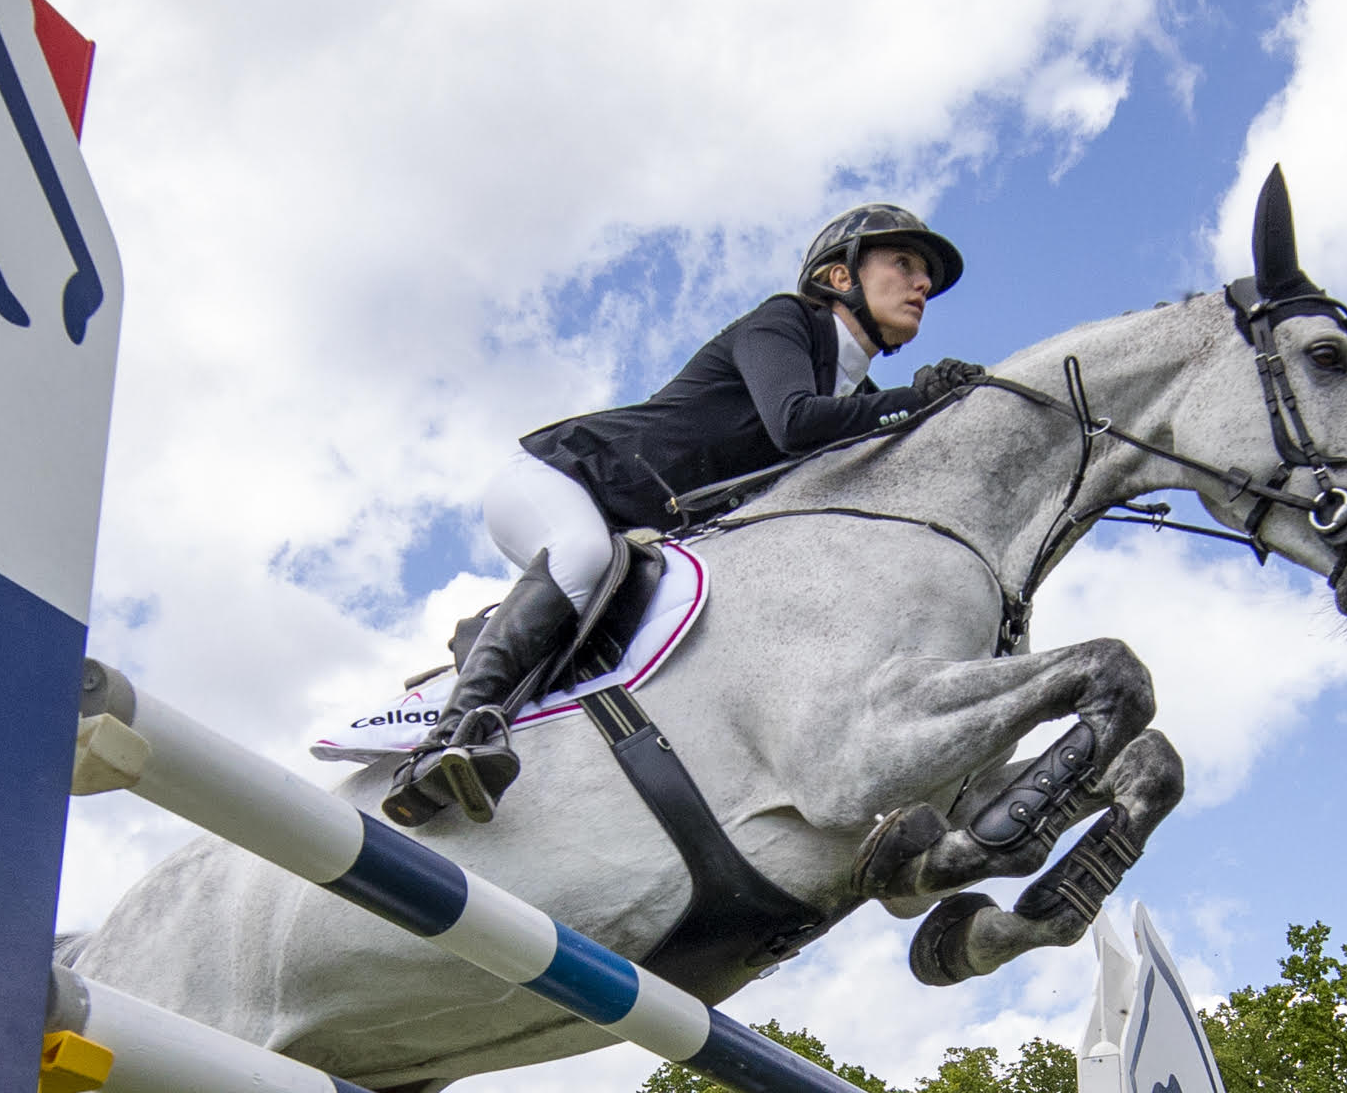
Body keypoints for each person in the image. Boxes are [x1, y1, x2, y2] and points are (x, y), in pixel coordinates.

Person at [384, 199, 976, 825]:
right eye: (904, 264)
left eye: (926, 278)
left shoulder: (857, 396)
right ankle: (448, 741)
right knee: (583, 554)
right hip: (560, 476)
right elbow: (793, 423)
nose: (922, 285)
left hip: (638, 533)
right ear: (839, 277)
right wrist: (918, 399)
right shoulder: (785, 322)